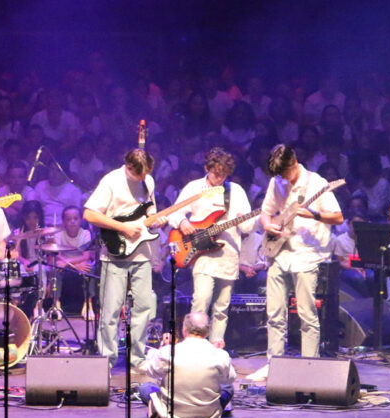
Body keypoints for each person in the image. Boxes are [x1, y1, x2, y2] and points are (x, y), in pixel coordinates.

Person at [250, 144, 343, 381]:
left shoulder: (317, 183)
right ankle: (274, 363)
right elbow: (266, 212)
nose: (284, 179)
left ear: (294, 163)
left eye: (285, 173)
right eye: (279, 175)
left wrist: (313, 214)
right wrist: (268, 224)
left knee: (306, 313)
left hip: (307, 255)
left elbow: (338, 217)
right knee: (275, 313)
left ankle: (309, 365)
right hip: (279, 253)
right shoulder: (277, 182)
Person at [83, 148, 167, 373]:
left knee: (144, 307)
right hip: (115, 253)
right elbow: (90, 214)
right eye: (138, 174)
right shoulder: (111, 181)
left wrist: (157, 221)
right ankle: (107, 360)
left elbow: (149, 213)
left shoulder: (148, 181)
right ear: (129, 167)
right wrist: (122, 227)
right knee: (111, 309)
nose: (142, 179)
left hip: (143, 252)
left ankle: (137, 358)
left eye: (145, 174)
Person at [168, 147, 252, 348]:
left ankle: (215, 346)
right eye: (216, 173)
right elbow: (173, 213)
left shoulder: (236, 191)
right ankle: (194, 345)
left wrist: (244, 221)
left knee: (222, 307)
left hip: (228, 255)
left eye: (224, 174)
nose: (220, 177)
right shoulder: (194, 188)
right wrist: (182, 222)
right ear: (207, 168)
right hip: (202, 253)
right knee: (201, 300)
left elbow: (248, 226)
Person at [138, 312, 236, 418]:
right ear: (208, 332)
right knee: (228, 388)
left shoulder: (168, 352)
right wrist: (218, 352)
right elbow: (229, 378)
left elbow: (151, 371)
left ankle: (155, 412)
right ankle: (218, 411)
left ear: (184, 330)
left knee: (145, 387)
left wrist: (163, 346)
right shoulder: (220, 354)